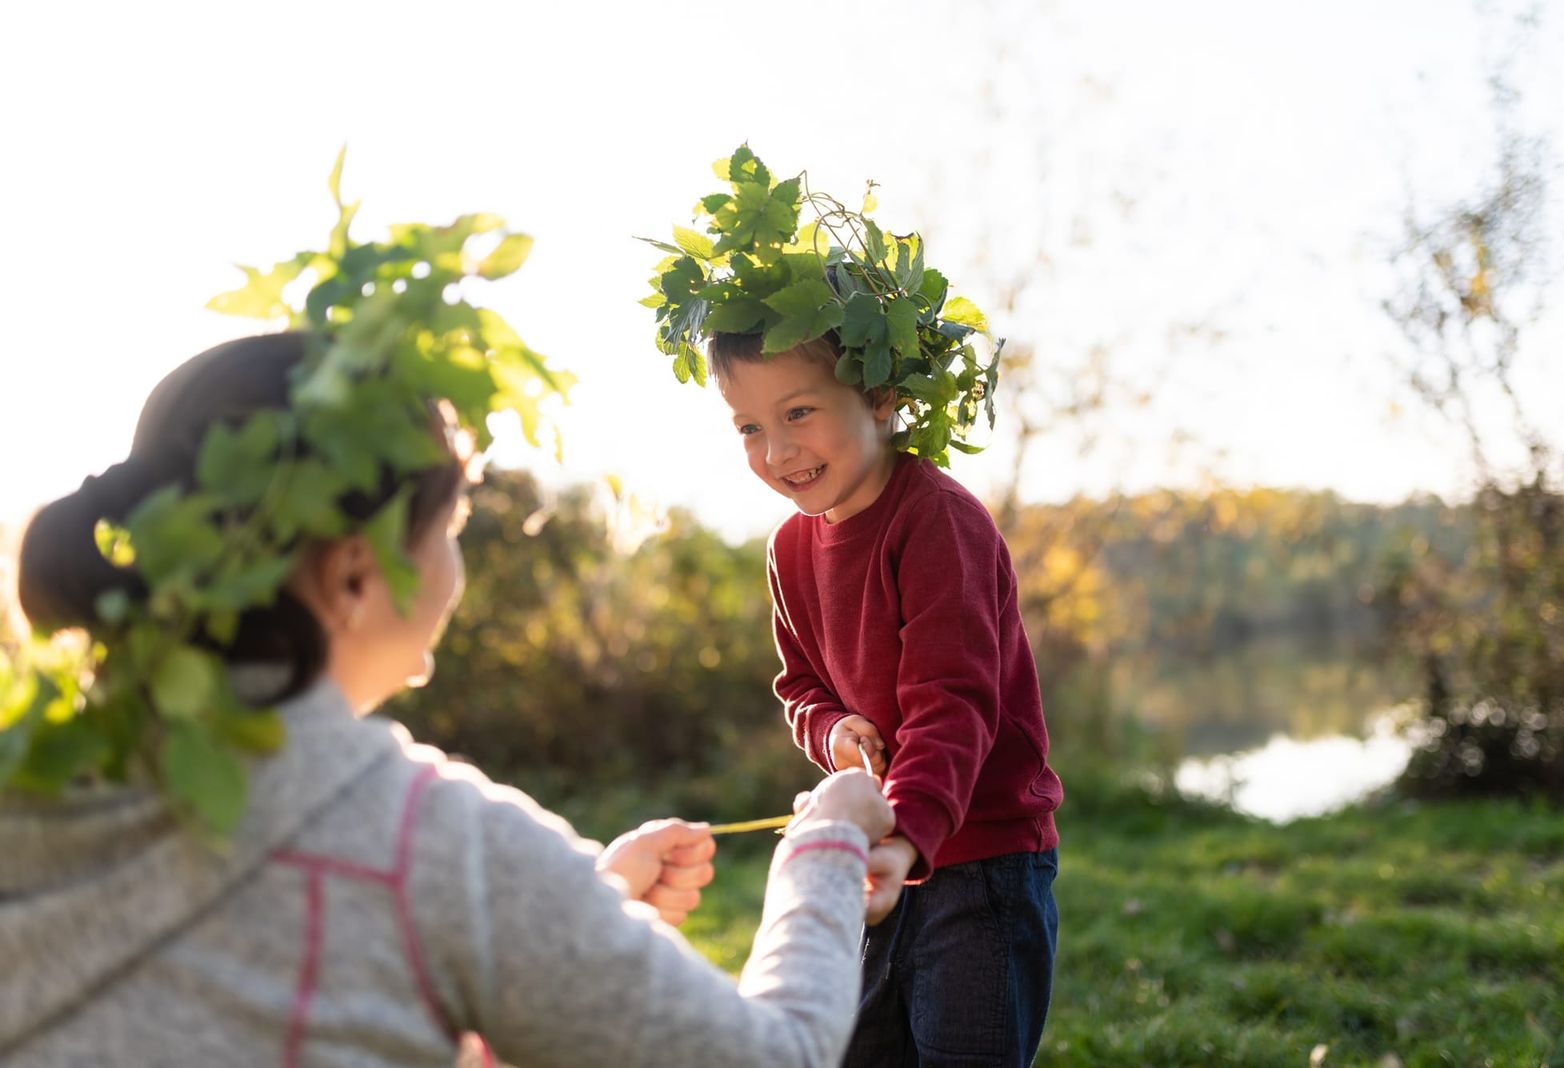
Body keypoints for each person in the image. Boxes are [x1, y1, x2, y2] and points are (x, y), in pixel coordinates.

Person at [0, 332, 894, 1067]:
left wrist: (582, 908)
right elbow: (776, 1058)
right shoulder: (435, 844)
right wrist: (827, 841)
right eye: (453, 527)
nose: (458, 564)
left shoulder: (33, 783)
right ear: (355, 575)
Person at [711, 328, 1065, 1066]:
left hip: (978, 861)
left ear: (880, 396)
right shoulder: (790, 549)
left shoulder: (937, 518)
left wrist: (907, 834)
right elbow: (800, 684)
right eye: (750, 427)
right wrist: (833, 731)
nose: (776, 453)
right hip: (871, 854)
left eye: (799, 413)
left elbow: (954, 699)